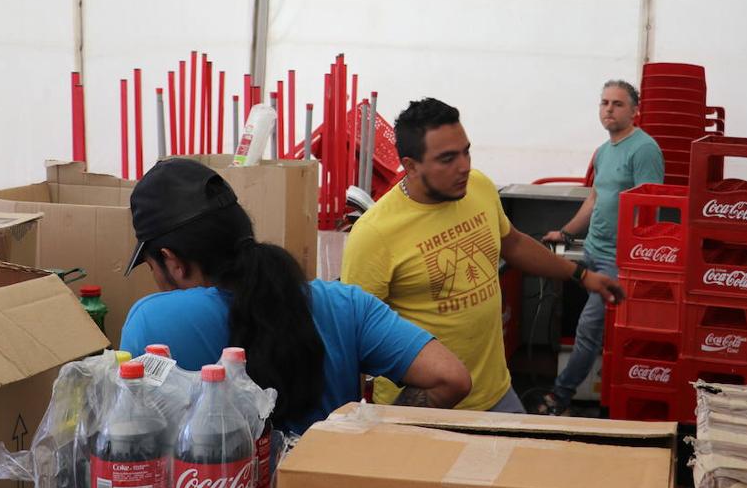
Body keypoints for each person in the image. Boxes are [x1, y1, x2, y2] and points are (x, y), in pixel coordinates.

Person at [119, 157, 472, 435]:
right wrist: (370, 435)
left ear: (172, 262)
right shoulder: (347, 305)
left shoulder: (152, 321)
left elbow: (134, 443)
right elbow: (451, 377)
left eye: (151, 267)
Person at [341, 98, 624, 414]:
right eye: (447, 158)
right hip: (423, 408)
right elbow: (354, 335)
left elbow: (513, 243)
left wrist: (581, 275)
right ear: (410, 165)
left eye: (466, 151)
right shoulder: (375, 233)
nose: (464, 166)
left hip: (497, 393)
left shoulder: (478, 187)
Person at [538, 79, 664, 414]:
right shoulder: (604, 151)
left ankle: (559, 399)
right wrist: (565, 234)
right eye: (604, 102)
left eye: (618, 104)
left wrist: (633, 260)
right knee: (588, 331)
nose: (609, 109)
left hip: (618, 260)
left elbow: (650, 209)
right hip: (594, 251)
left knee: (587, 330)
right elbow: (595, 198)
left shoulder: (645, 149)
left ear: (635, 111)